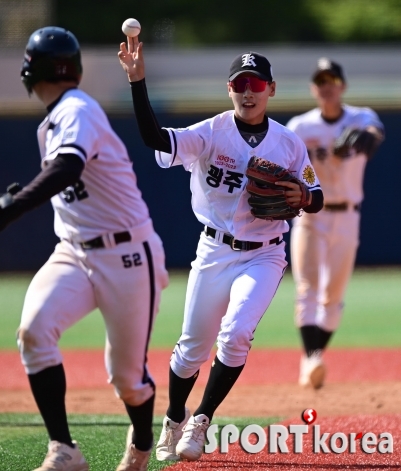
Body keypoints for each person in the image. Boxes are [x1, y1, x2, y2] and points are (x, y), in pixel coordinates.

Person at [0, 27, 168, 471]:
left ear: (32, 70)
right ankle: (64, 449)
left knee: (127, 380)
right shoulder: (55, 119)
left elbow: (67, 168)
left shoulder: (77, 110)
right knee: (34, 331)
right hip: (73, 252)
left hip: (127, 255)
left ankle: (143, 442)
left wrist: (4, 212)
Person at [118, 38, 324, 462]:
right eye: (240, 83)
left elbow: (316, 194)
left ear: (271, 89)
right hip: (214, 251)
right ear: (229, 89)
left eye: (256, 83)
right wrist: (138, 82)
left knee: (236, 335)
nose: (248, 91)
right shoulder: (210, 132)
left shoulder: (288, 143)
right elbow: (154, 137)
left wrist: (303, 197)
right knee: (192, 348)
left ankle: (202, 418)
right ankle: (175, 416)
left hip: (265, 253)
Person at [286, 58, 384, 389]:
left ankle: (313, 357)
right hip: (312, 215)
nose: (327, 85)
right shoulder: (301, 126)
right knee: (307, 290)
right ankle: (312, 358)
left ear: (343, 86)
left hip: (348, 215)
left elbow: (374, 131)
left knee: (334, 295)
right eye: (320, 80)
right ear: (314, 88)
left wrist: (365, 137)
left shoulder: (361, 117)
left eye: (333, 79)